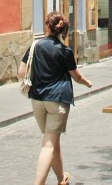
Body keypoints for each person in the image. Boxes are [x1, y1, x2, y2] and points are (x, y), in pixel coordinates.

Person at [19, 12, 92, 185]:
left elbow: (21, 73)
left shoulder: (35, 46)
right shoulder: (64, 51)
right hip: (57, 100)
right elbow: (76, 76)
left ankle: (61, 179)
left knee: (52, 140)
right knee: (48, 145)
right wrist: (86, 82)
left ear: (47, 26)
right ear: (63, 29)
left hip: (37, 99)